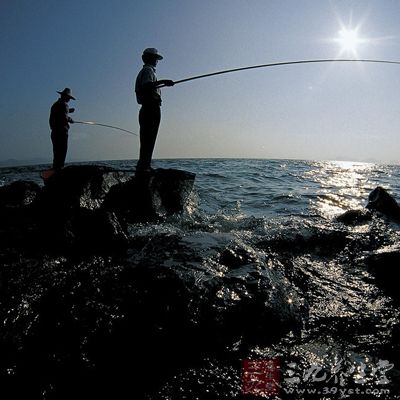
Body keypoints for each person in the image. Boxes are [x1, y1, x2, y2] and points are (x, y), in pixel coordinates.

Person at [135, 48, 174, 172]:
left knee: (147, 139)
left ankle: (144, 165)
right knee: (148, 138)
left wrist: (161, 83)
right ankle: (144, 166)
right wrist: (163, 81)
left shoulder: (147, 71)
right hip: (150, 108)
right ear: (150, 59)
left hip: (148, 108)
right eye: (156, 59)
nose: (157, 61)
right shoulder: (147, 70)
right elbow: (146, 86)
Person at [49, 87, 76, 171]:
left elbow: (60, 113)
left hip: (54, 132)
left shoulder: (56, 104)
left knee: (56, 153)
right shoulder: (64, 105)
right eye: (69, 98)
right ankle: (59, 169)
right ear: (66, 97)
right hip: (61, 132)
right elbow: (64, 117)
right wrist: (70, 119)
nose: (69, 100)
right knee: (62, 152)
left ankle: (55, 169)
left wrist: (69, 111)